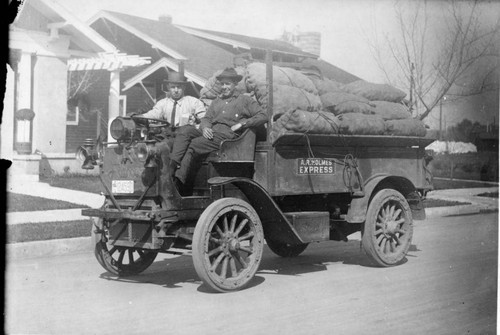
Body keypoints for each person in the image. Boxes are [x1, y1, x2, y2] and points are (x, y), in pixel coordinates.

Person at [171, 67, 268, 193]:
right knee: (184, 131)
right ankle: (172, 165)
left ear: (235, 84)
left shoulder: (245, 100)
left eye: (227, 83)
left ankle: (179, 183)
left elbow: (263, 116)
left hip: (227, 137)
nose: (224, 87)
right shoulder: (217, 101)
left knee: (194, 144)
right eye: (222, 84)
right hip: (212, 132)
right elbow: (206, 118)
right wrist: (205, 127)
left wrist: (243, 124)